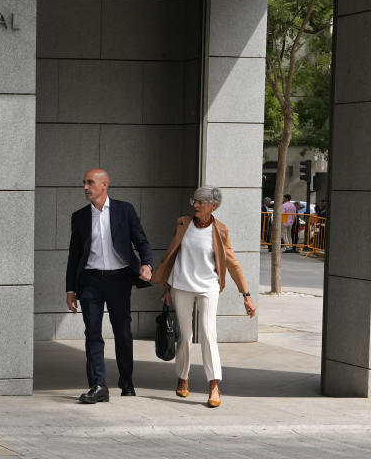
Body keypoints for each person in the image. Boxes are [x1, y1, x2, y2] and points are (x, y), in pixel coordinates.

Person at [152, 186, 256, 408]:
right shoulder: (183, 223)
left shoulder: (221, 231)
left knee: (208, 333)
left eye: (200, 202)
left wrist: (246, 295)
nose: (195, 205)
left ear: (213, 206)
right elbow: (173, 255)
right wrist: (167, 288)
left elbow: (233, 264)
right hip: (181, 284)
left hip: (208, 285)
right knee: (186, 335)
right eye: (195, 201)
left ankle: (213, 385)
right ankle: (183, 376)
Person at [65, 168, 153, 404]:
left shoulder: (124, 210)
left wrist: (146, 264)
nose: (85, 187)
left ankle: (126, 380)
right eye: (84, 183)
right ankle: (98, 385)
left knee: (122, 331)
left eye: (90, 182)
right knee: (92, 332)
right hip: (91, 281)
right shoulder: (80, 217)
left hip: (119, 279)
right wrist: (71, 289)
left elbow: (141, 240)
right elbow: (74, 256)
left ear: (105, 185)